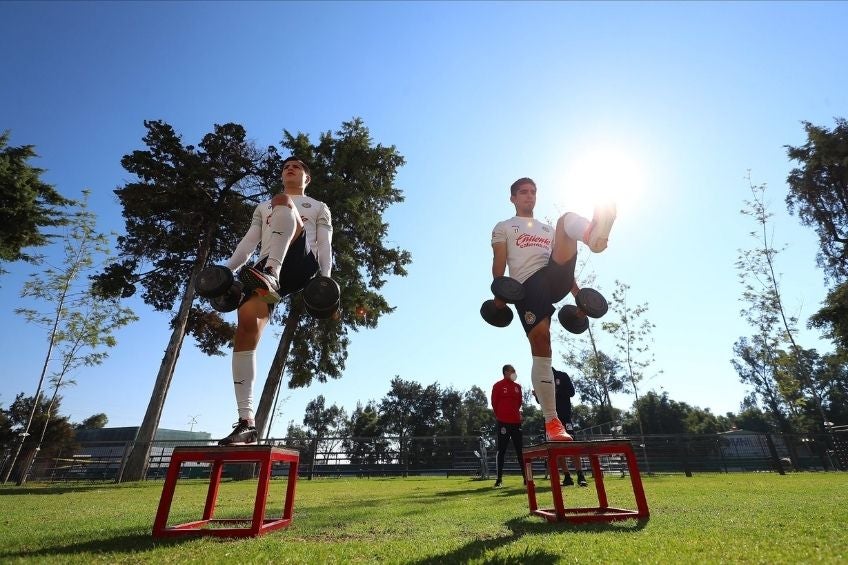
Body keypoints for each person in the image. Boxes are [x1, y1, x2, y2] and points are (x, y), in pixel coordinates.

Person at [218, 156, 333, 446]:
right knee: (246, 328)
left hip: (299, 263)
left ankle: (271, 272)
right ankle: (247, 424)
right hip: (262, 271)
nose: (289, 169)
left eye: (296, 167)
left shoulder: (318, 207)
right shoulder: (262, 208)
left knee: (283, 203)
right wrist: (225, 271)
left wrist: (326, 278)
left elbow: (325, 244)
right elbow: (247, 243)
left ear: (307, 177)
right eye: (285, 167)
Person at [490, 177, 615, 441]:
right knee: (542, 342)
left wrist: (579, 295)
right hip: (526, 285)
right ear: (513, 198)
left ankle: (592, 235)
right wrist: (499, 295)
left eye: (533, 192)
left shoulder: (546, 230)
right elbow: (499, 263)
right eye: (523, 192)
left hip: (552, 276)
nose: (529, 196)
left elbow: (558, 265)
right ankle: (552, 422)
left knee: (565, 220)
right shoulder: (504, 227)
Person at [490, 364, 526, 487]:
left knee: (520, 451)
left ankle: (526, 478)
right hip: (503, 422)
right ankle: (499, 479)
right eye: (512, 371)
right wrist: (501, 416)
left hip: (516, 423)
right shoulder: (498, 385)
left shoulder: (518, 387)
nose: (515, 373)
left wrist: (515, 414)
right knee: (502, 451)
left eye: (515, 371)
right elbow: (494, 403)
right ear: (506, 372)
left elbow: (519, 402)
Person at [552, 367, 587, 487]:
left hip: (565, 417)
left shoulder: (562, 375)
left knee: (572, 446)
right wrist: (537, 395)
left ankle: (580, 475)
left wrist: (557, 390)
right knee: (558, 449)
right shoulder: (541, 379)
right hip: (552, 420)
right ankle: (567, 477)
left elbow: (571, 392)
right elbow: (540, 401)